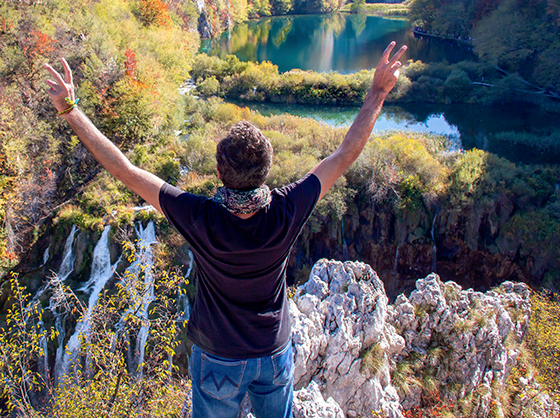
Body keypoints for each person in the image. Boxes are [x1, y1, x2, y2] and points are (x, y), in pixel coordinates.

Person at [44, 42, 407, 417]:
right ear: (266, 171)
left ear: (219, 172)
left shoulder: (198, 216)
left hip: (217, 356)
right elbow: (345, 154)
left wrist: (71, 110)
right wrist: (378, 91)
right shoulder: (288, 208)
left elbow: (125, 170)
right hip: (272, 352)